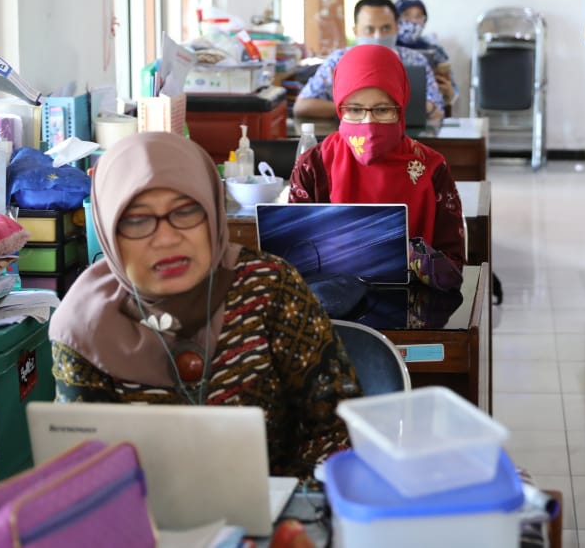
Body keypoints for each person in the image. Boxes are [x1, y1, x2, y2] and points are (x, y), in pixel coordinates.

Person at [48, 132, 361, 480]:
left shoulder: (269, 287)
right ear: (108, 230)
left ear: (212, 212)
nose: (166, 238)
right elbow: (87, 474)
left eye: (186, 212)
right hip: (144, 525)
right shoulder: (83, 328)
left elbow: (336, 429)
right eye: (136, 220)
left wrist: (293, 507)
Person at [288, 43, 465, 290]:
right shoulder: (314, 165)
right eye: (355, 110)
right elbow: (294, 260)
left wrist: (411, 255)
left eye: (383, 110)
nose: (368, 123)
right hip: (333, 305)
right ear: (339, 108)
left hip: (413, 304)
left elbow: (453, 268)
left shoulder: (431, 168)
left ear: (401, 106)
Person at [294, 0, 444, 121]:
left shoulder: (416, 60)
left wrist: (416, 107)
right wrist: (354, 109)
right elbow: (301, 106)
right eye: (369, 29)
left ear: (397, 28)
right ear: (356, 31)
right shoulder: (339, 60)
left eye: (385, 28)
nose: (378, 36)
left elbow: (439, 112)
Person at [394, 0, 456, 108]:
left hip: (429, 112)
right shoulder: (388, 48)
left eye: (418, 16)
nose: (413, 21)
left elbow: (453, 91)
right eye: (406, 15)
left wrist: (449, 94)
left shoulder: (435, 51)